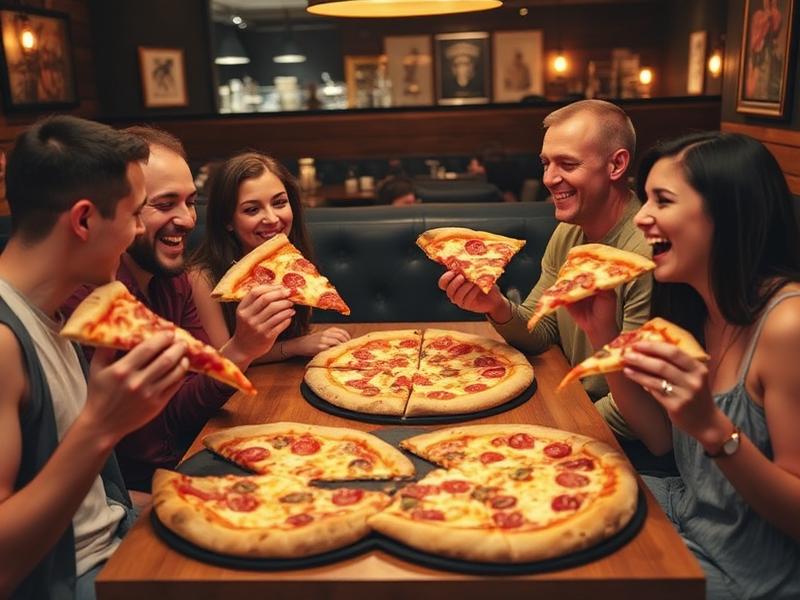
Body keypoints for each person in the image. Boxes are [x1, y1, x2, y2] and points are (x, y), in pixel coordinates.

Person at [583, 131, 800, 599]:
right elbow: (661, 441)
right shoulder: (695, 310)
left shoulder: (789, 326)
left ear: (727, 214)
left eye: (663, 200)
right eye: (645, 199)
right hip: (686, 519)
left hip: (752, 573)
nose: (641, 217)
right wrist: (606, 338)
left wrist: (713, 429)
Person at [0, 115, 190, 599]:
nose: (134, 233)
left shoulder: (57, 314)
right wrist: (102, 424)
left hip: (117, 540)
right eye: (134, 215)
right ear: (84, 220)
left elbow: (95, 507)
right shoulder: (3, 341)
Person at [62, 129, 293, 492]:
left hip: (185, 466)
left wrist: (240, 350)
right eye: (165, 203)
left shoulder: (174, 280)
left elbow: (178, 416)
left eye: (189, 201)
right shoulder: (86, 305)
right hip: (134, 497)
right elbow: (130, 451)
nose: (187, 219)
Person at [439, 99, 652, 442]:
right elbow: (541, 332)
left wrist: (545, 431)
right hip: (572, 405)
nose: (549, 179)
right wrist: (495, 305)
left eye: (567, 164)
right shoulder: (569, 231)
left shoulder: (645, 256)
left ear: (616, 164)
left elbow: (641, 411)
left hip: (620, 443)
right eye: (545, 163)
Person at [188, 151, 350, 361]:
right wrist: (295, 346)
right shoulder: (202, 279)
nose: (272, 218)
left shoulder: (292, 261)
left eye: (279, 203)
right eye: (252, 209)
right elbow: (222, 361)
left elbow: (299, 330)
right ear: (227, 220)